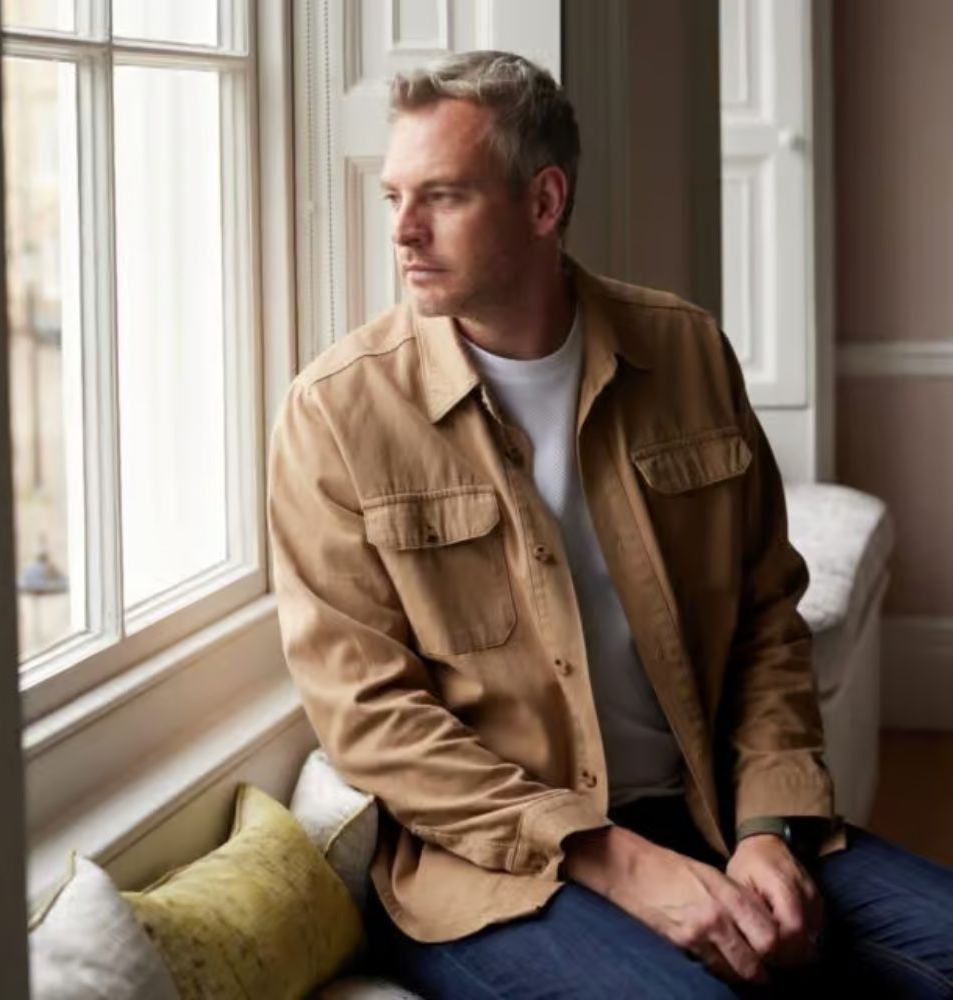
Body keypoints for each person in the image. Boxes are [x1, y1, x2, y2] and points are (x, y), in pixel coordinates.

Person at [267, 50, 953, 997]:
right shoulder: (335, 415)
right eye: (393, 197)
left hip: (710, 813)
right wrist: (622, 864)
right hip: (504, 874)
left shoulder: (686, 353)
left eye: (443, 197)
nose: (404, 232)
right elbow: (372, 719)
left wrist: (768, 827)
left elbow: (767, 621)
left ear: (544, 204)